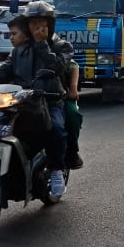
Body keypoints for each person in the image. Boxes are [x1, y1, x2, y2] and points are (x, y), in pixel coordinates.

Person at [0, 1, 71, 197]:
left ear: (50, 24)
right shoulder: (20, 50)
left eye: (41, 22)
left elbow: (59, 68)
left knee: (57, 130)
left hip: (49, 102)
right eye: (33, 23)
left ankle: (56, 170)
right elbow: (4, 70)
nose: (37, 27)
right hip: (19, 103)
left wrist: (42, 45)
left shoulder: (61, 46)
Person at [52, 37, 84, 170]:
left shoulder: (64, 58)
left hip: (57, 97)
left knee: (71, 113)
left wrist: (72, 90)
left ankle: (72, 152)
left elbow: (73, 89)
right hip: (31, 97)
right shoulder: (23, 52)